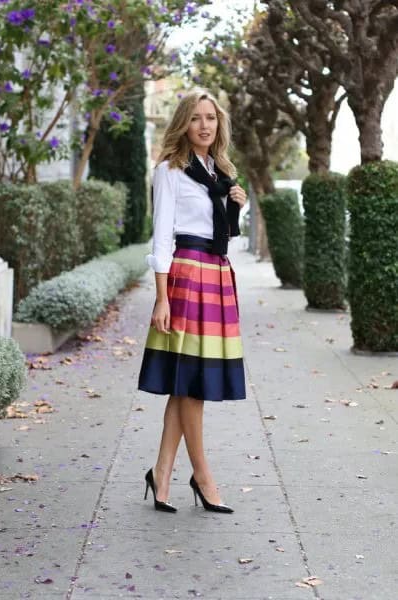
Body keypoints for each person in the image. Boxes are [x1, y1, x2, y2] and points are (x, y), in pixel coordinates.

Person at [138, 89, 247, 514]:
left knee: (188, 383)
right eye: (196, 118)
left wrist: (236, 201)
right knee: (193, 386)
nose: (205, 125)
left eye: (211, 118)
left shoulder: (219, 171)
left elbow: (223, 231)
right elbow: (162, 235)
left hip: (216, 274)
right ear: (183, 123)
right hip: (184, 276)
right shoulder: (169, 170)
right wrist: (161, 297)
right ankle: (202, 475)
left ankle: (161, 474)